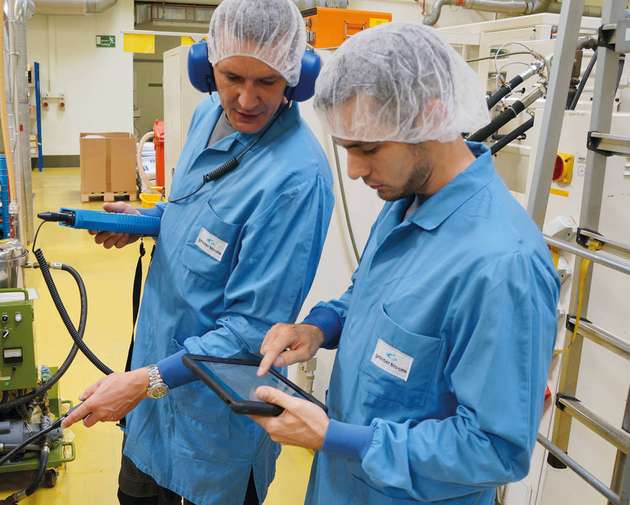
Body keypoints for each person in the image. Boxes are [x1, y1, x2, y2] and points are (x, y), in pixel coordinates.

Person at [252, 22, 560, 505]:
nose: (353, 171)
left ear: (430, 117)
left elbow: (495, 449)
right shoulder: (406, 203)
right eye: (346, 148)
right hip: (343, 487)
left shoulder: (502, 266)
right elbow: (368, 297)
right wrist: (318, 329)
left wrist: (336, 438)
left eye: (368, 149)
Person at [62, 1, 334, 504]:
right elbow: (191, 211)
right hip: (150, 399)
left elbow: (253, 331)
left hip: (211, 429)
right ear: (207, 66)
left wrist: (145, 383)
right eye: (232, 76)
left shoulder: (297, 178)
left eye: (268, 83)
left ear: (296, 81)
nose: (246, 99)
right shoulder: (209, 114)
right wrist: (149, 221)